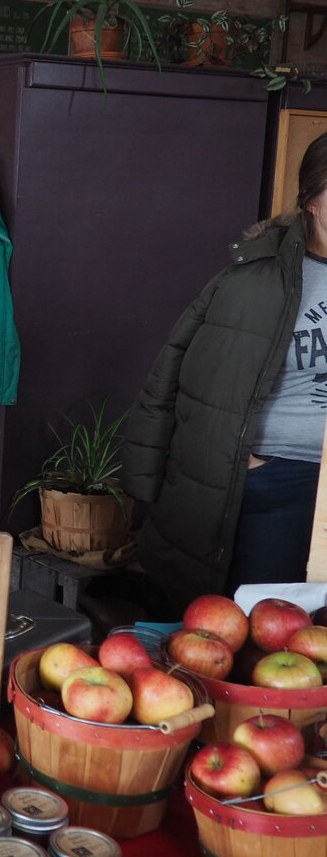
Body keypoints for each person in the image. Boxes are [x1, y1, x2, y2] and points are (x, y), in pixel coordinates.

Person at [122, 132, 327, 612]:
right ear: (311, 200)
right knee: (267, 624)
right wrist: (247, 462)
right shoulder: (254, 279)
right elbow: (177, 377)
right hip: (284, 474)